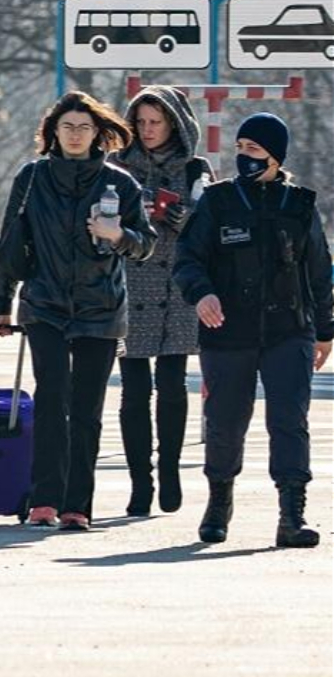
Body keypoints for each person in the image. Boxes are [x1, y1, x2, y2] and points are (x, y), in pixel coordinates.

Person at [0, 90, 156, 531]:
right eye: (68, 127)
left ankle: (76, 505)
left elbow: (146, 245)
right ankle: (44, 499)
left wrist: (118, 235)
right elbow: (10, 243)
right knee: (50, 400)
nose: (76, 135)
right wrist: (1, 306)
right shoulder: (32, 178)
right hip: (44, 304)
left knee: (86, 409)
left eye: (84, 127)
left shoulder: (120, 183)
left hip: (101, 308)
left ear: (98, 132)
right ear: (53, 133)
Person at [173, 112, 332, 548]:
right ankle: (218, 503)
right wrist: (201, 293)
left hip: (289, 330)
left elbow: (320, 271)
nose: (244, 156)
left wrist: (325, 330)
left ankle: (291, 515)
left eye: (254, 150)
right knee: (225, 423)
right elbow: (187, 257)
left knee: (289, 422)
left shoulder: (299, 204)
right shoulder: (218, 201)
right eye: (240, 148)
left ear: (276, 157)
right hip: (227, 332)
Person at [113, 86, 213, 516]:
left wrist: (181, 217)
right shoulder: (116, 166)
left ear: (174, 123)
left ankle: (170, 470)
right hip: (128, 288)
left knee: (172, 386)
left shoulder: (195, 168)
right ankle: (140, 481)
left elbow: (211, 225)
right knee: (133, 392)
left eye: (157, 122)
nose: (148, 130)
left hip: (177, 290)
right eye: (142, 122)